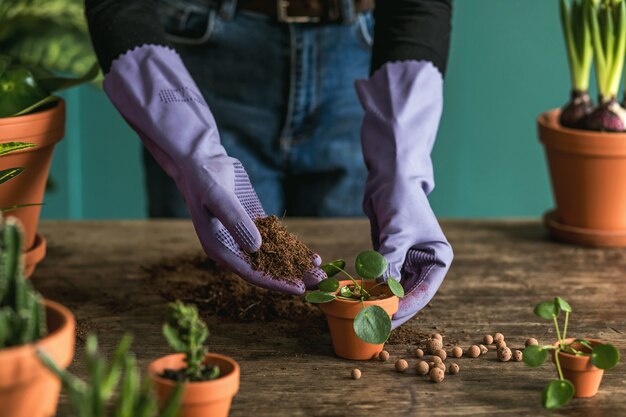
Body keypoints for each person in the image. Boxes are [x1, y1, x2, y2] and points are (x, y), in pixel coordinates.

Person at [84, 0, 453, 327]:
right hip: (202, 60)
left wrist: (403, 162)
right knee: (202, 289)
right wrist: (192, 149)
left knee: (329, 284)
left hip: (356, 59)